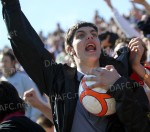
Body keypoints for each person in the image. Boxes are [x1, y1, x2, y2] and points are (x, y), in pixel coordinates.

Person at [1, 0, 150, 132]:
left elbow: (141, 126)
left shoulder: (120, 74)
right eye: (81, 35)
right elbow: (24, 42)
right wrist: (9, 3)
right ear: (70, 49)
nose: (90, 36)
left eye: (94, 34)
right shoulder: (57, 79)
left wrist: (118, 85)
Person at [0, 50, 43, 121]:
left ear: (13, 62)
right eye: (1, 61)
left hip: (25, 121)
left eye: (5, 61)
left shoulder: (23, 78)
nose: (3, 64)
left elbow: (37, 99)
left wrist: (32, 119)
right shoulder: (1, 82)